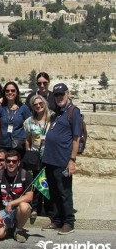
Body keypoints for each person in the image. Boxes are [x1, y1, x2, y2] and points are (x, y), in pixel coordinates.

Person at [41, 83, 81, 235]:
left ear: (68, 94)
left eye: (61, 94)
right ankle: (57, 220)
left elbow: (76, 138)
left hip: (63, 160)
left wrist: (72, 160)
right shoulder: (57, 113)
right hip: (50, 159)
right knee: (54, 192)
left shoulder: (73, 112)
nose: (59, 97)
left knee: (64, 192)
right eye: (56, 95)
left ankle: (69, 222)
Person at [0, 150, 33, 243]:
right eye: (8, 161)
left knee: (24, 206)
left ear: (18, 163)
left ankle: (18, 230)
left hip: (18, 210)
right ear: (5, 162)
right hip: (3, 211)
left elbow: (29, 196)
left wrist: (12, 203)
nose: (11, 164)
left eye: (14, 161)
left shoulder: (25, 175)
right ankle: (10, 228)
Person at [24, 95, 53, 223]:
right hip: (36, 155)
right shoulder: (29, 122)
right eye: (35, 104)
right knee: (36, 181)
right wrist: (28, 154)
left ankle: (49, 208)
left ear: (44, 103)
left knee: (49, 181)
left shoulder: (52, 118)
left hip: (51, 155)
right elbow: (27, 139)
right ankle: (35, 207)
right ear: (32, 107)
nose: (38, 106)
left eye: (40, 103)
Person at [0, 82, 31, 155]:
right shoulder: (1, 108)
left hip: (19, 146)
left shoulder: (24, 108)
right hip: (3, 144)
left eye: (13, 90)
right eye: (7, 91)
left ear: (17, 92)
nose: (10, 93)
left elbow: (29, 129)